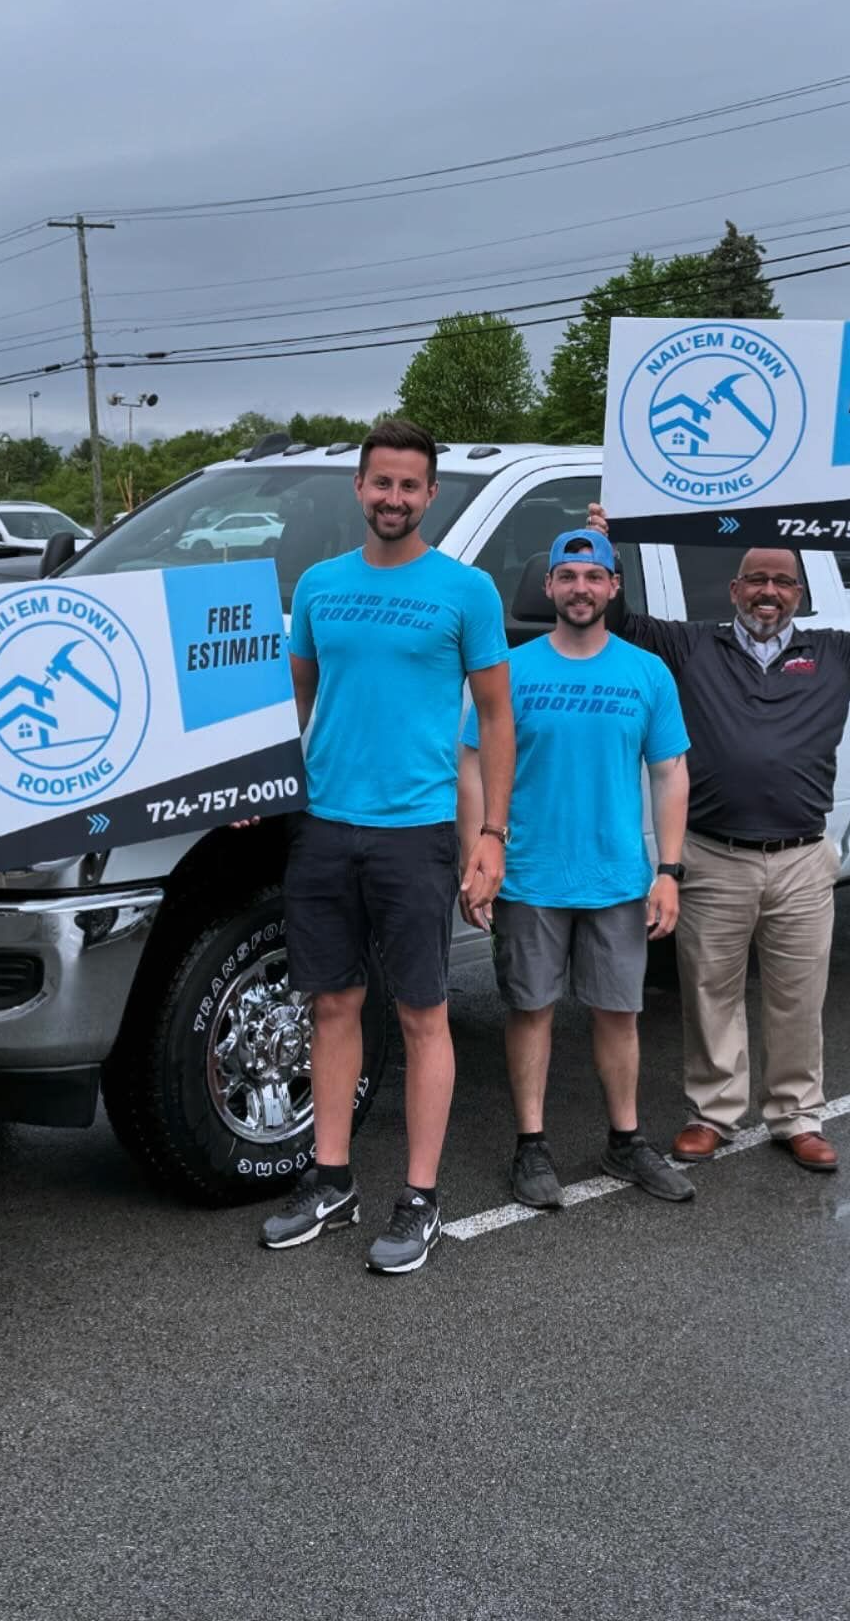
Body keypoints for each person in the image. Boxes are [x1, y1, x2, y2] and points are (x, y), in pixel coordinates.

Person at [587, 503, 850, 1171]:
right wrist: (603, 550)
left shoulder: (837, 652)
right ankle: (714, 1113)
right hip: (713, 854)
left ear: (800, 592)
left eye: (782, 582)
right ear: (734, 590)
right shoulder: (692, 644)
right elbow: (621, 624)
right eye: (756, 579)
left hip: (800, 860)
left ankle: (796, 1116)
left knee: (797, 996)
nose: (768, 591)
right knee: (711, 992)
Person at [259, 419, 514, 1273]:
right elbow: (292, 706)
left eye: (410, 486)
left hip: (416, 834)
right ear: (359, 489)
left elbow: (496, 718)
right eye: (382, 484)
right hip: (326, 826)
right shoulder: (319, 589)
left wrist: (491, 834)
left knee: (421, 1015)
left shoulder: (466, 591)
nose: (394, 498)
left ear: (429, 495)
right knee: (331, 1006)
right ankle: (331, 1182)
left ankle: (420, 1198)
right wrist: (247, 788)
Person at [458, 530, 694, 1208]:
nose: (580, 588)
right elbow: (470, 762)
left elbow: (670, 771)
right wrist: (476, 851)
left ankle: (625, 1141)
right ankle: (531, 1148)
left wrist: (669, 869)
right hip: (530, 874)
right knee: (529, 1010)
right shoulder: (512, 670)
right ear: (549, 588)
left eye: (594, 576)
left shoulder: (646, 672)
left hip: (618, 877)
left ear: (613, 587)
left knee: (619, 1014)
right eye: (568, 576)